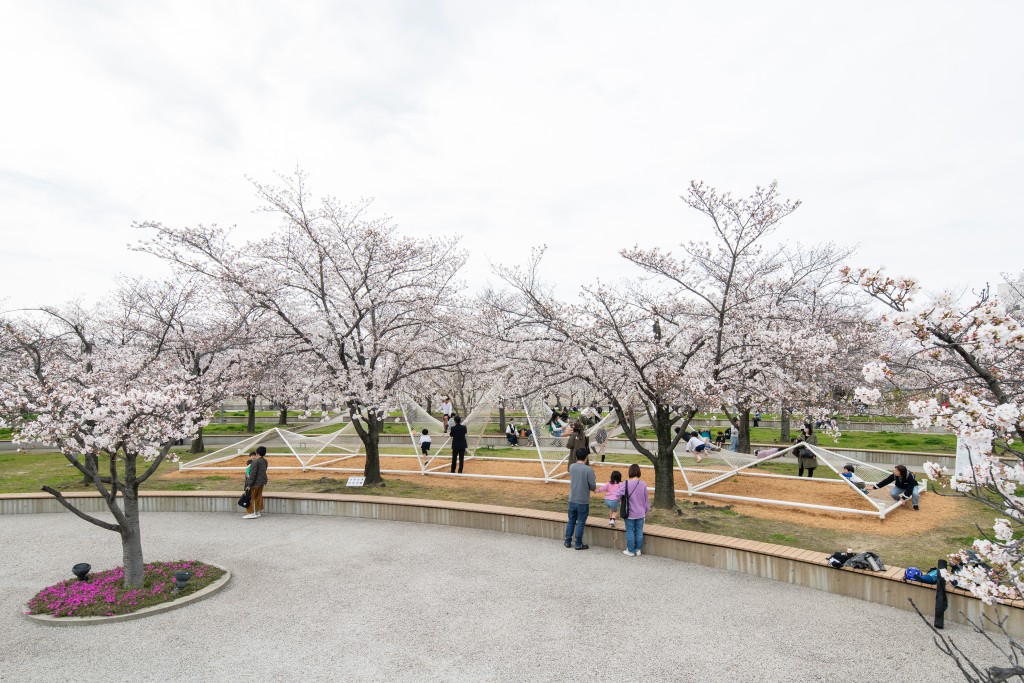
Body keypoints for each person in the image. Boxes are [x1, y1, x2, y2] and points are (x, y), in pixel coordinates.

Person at [614, 464, 651, 557]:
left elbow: (617, 495)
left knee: (630, 531)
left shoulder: (625, 484)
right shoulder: (643, 484)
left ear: (630, 472)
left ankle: (630, 550)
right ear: (639, 472)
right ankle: (638, 550)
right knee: (639, 531)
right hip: (641, 512)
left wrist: (622, 499)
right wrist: (646, 510)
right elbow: (646, 499)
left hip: (629, 512)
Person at [563, 447, 596, 549]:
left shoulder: (572, 467)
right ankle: (578, 543)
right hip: (583, 500)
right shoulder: (589, 470)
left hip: (572, 499)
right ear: (586, 458)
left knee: (571, 520)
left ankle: (567, 541)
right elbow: (592, 486)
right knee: (581, 522)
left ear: (576, 456)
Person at [243, 446, 268, 519]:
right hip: (262, 482)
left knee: (250, 497)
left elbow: (252, 474)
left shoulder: (255, 462)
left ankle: (251, 513)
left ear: (257, 453)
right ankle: (258, 511)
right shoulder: (265, 461)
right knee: (259, 496)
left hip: (255, 483)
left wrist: (248, 484)